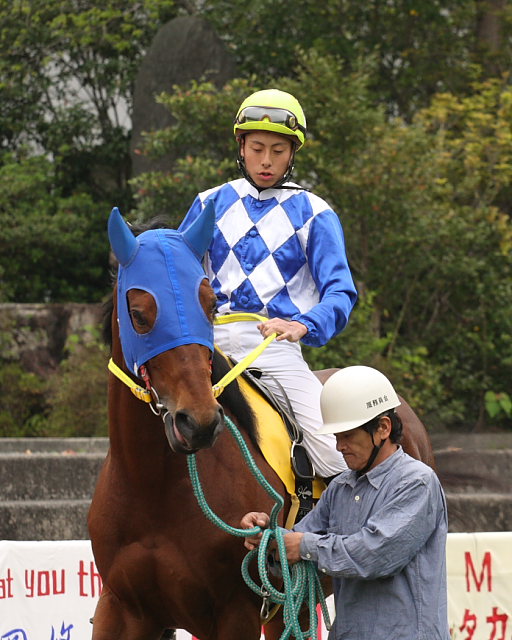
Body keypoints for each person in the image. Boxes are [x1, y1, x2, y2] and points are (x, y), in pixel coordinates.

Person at [178, 89, 358, 479]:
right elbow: (179, 278)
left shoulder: (316, 212)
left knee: (333, 454)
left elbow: (341, 292)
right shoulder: (208, 202)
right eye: (257, 147)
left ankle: (336, 536)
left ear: (293, 154)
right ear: (240, 146)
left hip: (274, 349)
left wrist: (302, 324)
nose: (266, 160)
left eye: (278, 150)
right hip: (207, 344)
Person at [241, 365, 450, 640]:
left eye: (348, 435)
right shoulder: (340, 486)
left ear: (383, 428)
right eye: (337, 437)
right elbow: (297, 548)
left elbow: (375, 555)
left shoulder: (417, 482)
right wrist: (267, 538)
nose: (339, 446)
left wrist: (300, 545)